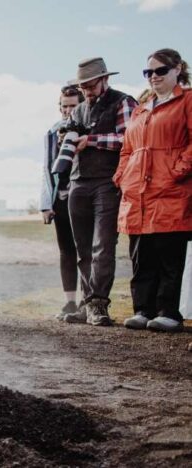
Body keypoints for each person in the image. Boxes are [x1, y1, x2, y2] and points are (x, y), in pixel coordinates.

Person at [115, 48, 192, 333]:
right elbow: (127, 149)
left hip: (171, 190)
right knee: (141, 253)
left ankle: (168, 312)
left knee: (168, 253)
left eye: (160, 71)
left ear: (177, 70)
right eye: (148, 72)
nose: (153, 77)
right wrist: (122, 176)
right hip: (138, 192)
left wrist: (176, 171)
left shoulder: (187, 101)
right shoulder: (142, 108)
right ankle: (142, 310)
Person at [60, 57, 137, 327]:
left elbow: (128, 139)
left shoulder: (123, 102)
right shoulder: (78, 110)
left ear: (105, 79)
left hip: (107, 182)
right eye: (83, 86)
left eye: (91, 85)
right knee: (82, 248)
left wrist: (91, 140)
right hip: (78, 181)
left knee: (103, 246)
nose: (87, 91)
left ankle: (98, 304)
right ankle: (86, 302)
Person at [42, 86, 84, 320]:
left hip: (83, 196)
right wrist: (45, 203)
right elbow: (46, 168)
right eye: (64, 106)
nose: (68, 111)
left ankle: (90, 300)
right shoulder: (52, 132)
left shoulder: (87, 129)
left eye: (73, 106)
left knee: (86, 250)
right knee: (66, 250)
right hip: (60, 197)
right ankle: (70, 302)